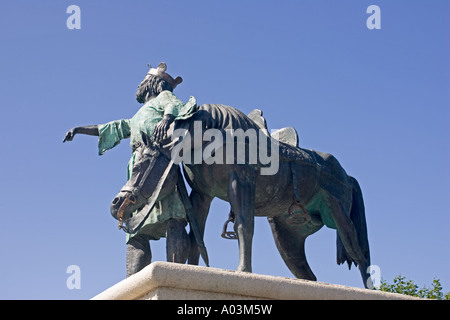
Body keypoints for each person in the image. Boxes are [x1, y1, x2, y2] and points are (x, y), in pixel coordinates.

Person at [63, 63, 197, 276]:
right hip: (138, 170)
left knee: (174, 218)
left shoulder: (163, 97)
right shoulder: (138, 115)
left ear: (154, 83)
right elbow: (112, 127)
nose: (139, 85)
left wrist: (166, 118)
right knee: (134, 227)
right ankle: (134, 284)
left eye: (143, 81)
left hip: (161, 166)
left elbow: (176, 105)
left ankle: (176, 277)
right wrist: (80, 129)